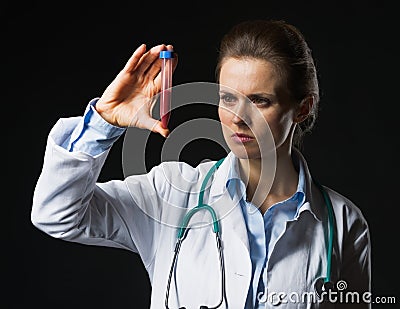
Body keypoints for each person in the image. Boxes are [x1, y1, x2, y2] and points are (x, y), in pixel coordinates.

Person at [31, 19, 371, 308]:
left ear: (302, 108)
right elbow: (56, 214)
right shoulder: (172, 193)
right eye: (227, 98)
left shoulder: (342, 224)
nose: (238, 118)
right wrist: (104, 123)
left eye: (260, 101)